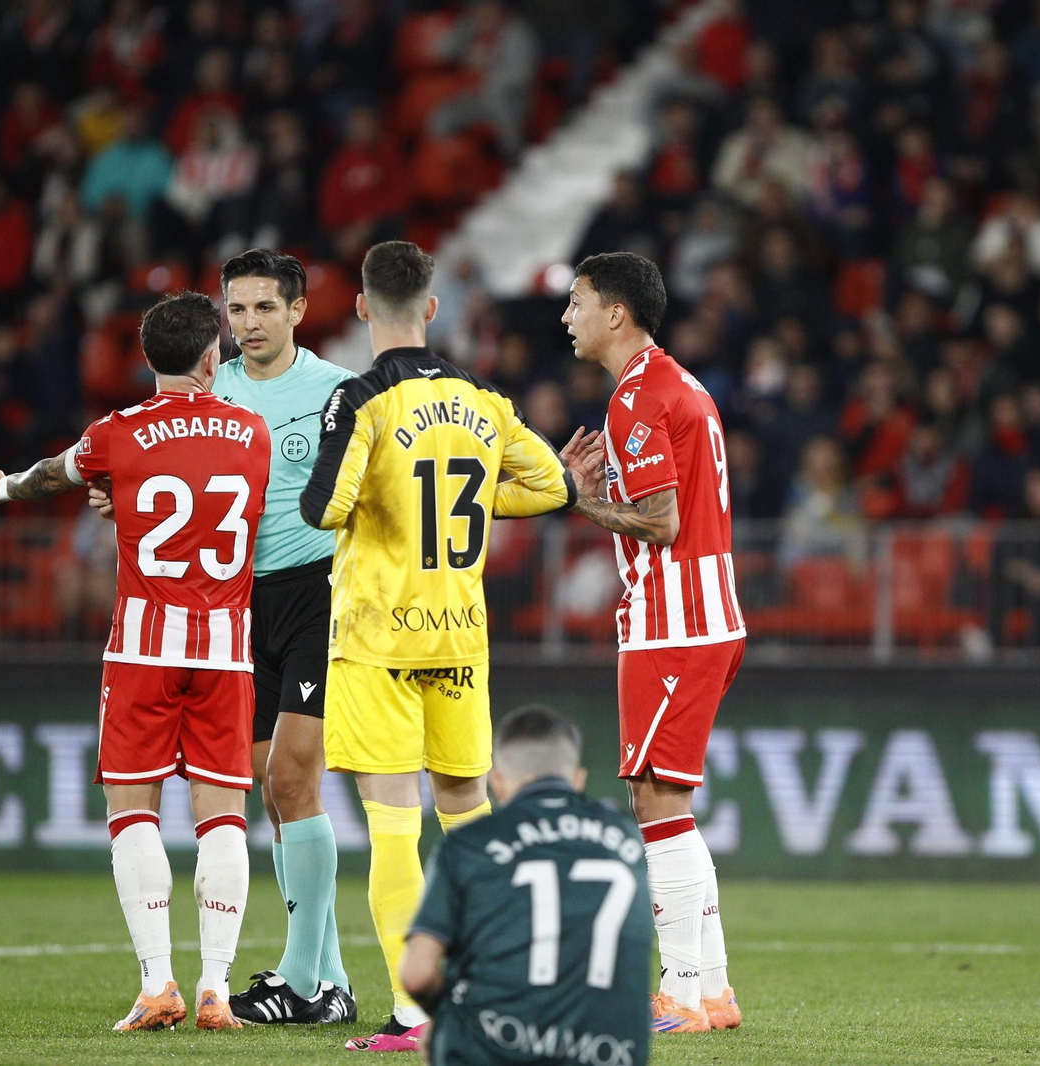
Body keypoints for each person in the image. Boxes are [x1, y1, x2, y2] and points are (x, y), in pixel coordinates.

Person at [0, 292, 271, 1032]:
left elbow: (55, 473)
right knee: (223, 816)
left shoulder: (118, 435)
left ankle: (157, 985)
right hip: (226, 652)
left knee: (132, 812)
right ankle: (216, 992)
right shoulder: (253, 432)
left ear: (146, 360)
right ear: (213, 357)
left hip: (141, 648)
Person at [300, 241, 576, 1052]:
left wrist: (380, 487)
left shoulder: (361, 398)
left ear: (360, 307)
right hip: (459, 634)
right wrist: (468, 493)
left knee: (393, 830)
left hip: (379, 637)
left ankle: (416, 1013)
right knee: (468, 815)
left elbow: (324, 507)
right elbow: (553, 483)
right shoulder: (481, 396)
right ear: (430, 307)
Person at [92, 250, 359, 1024]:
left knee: (294, 780)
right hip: (235, 610)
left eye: (263, 308)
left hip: (315, 591)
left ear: (298, 310)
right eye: (236, 311)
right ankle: (330, 974)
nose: (248, 325)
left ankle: (307, 981)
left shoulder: (336, 391)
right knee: (264, 792)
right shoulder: (212, 389)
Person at [557, 252, 747, 1034]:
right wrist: (602, 497)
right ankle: (714, 990)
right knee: (668, 803)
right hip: (703, 614)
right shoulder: (680, 384)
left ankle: (679, 992)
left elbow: (662, 524)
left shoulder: (638, 398)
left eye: (576, 302)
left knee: (654, 802)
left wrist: (582, 502)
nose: (566, 318)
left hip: (674, 619)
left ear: (616, 314)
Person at [401, 705, 653, 1066]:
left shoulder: (470, 843)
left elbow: (418, 974)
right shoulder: (627, 840)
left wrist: (444, 1019)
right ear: (577, 780)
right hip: (611, 1053)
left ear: (498, 782)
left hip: (495, 1048)